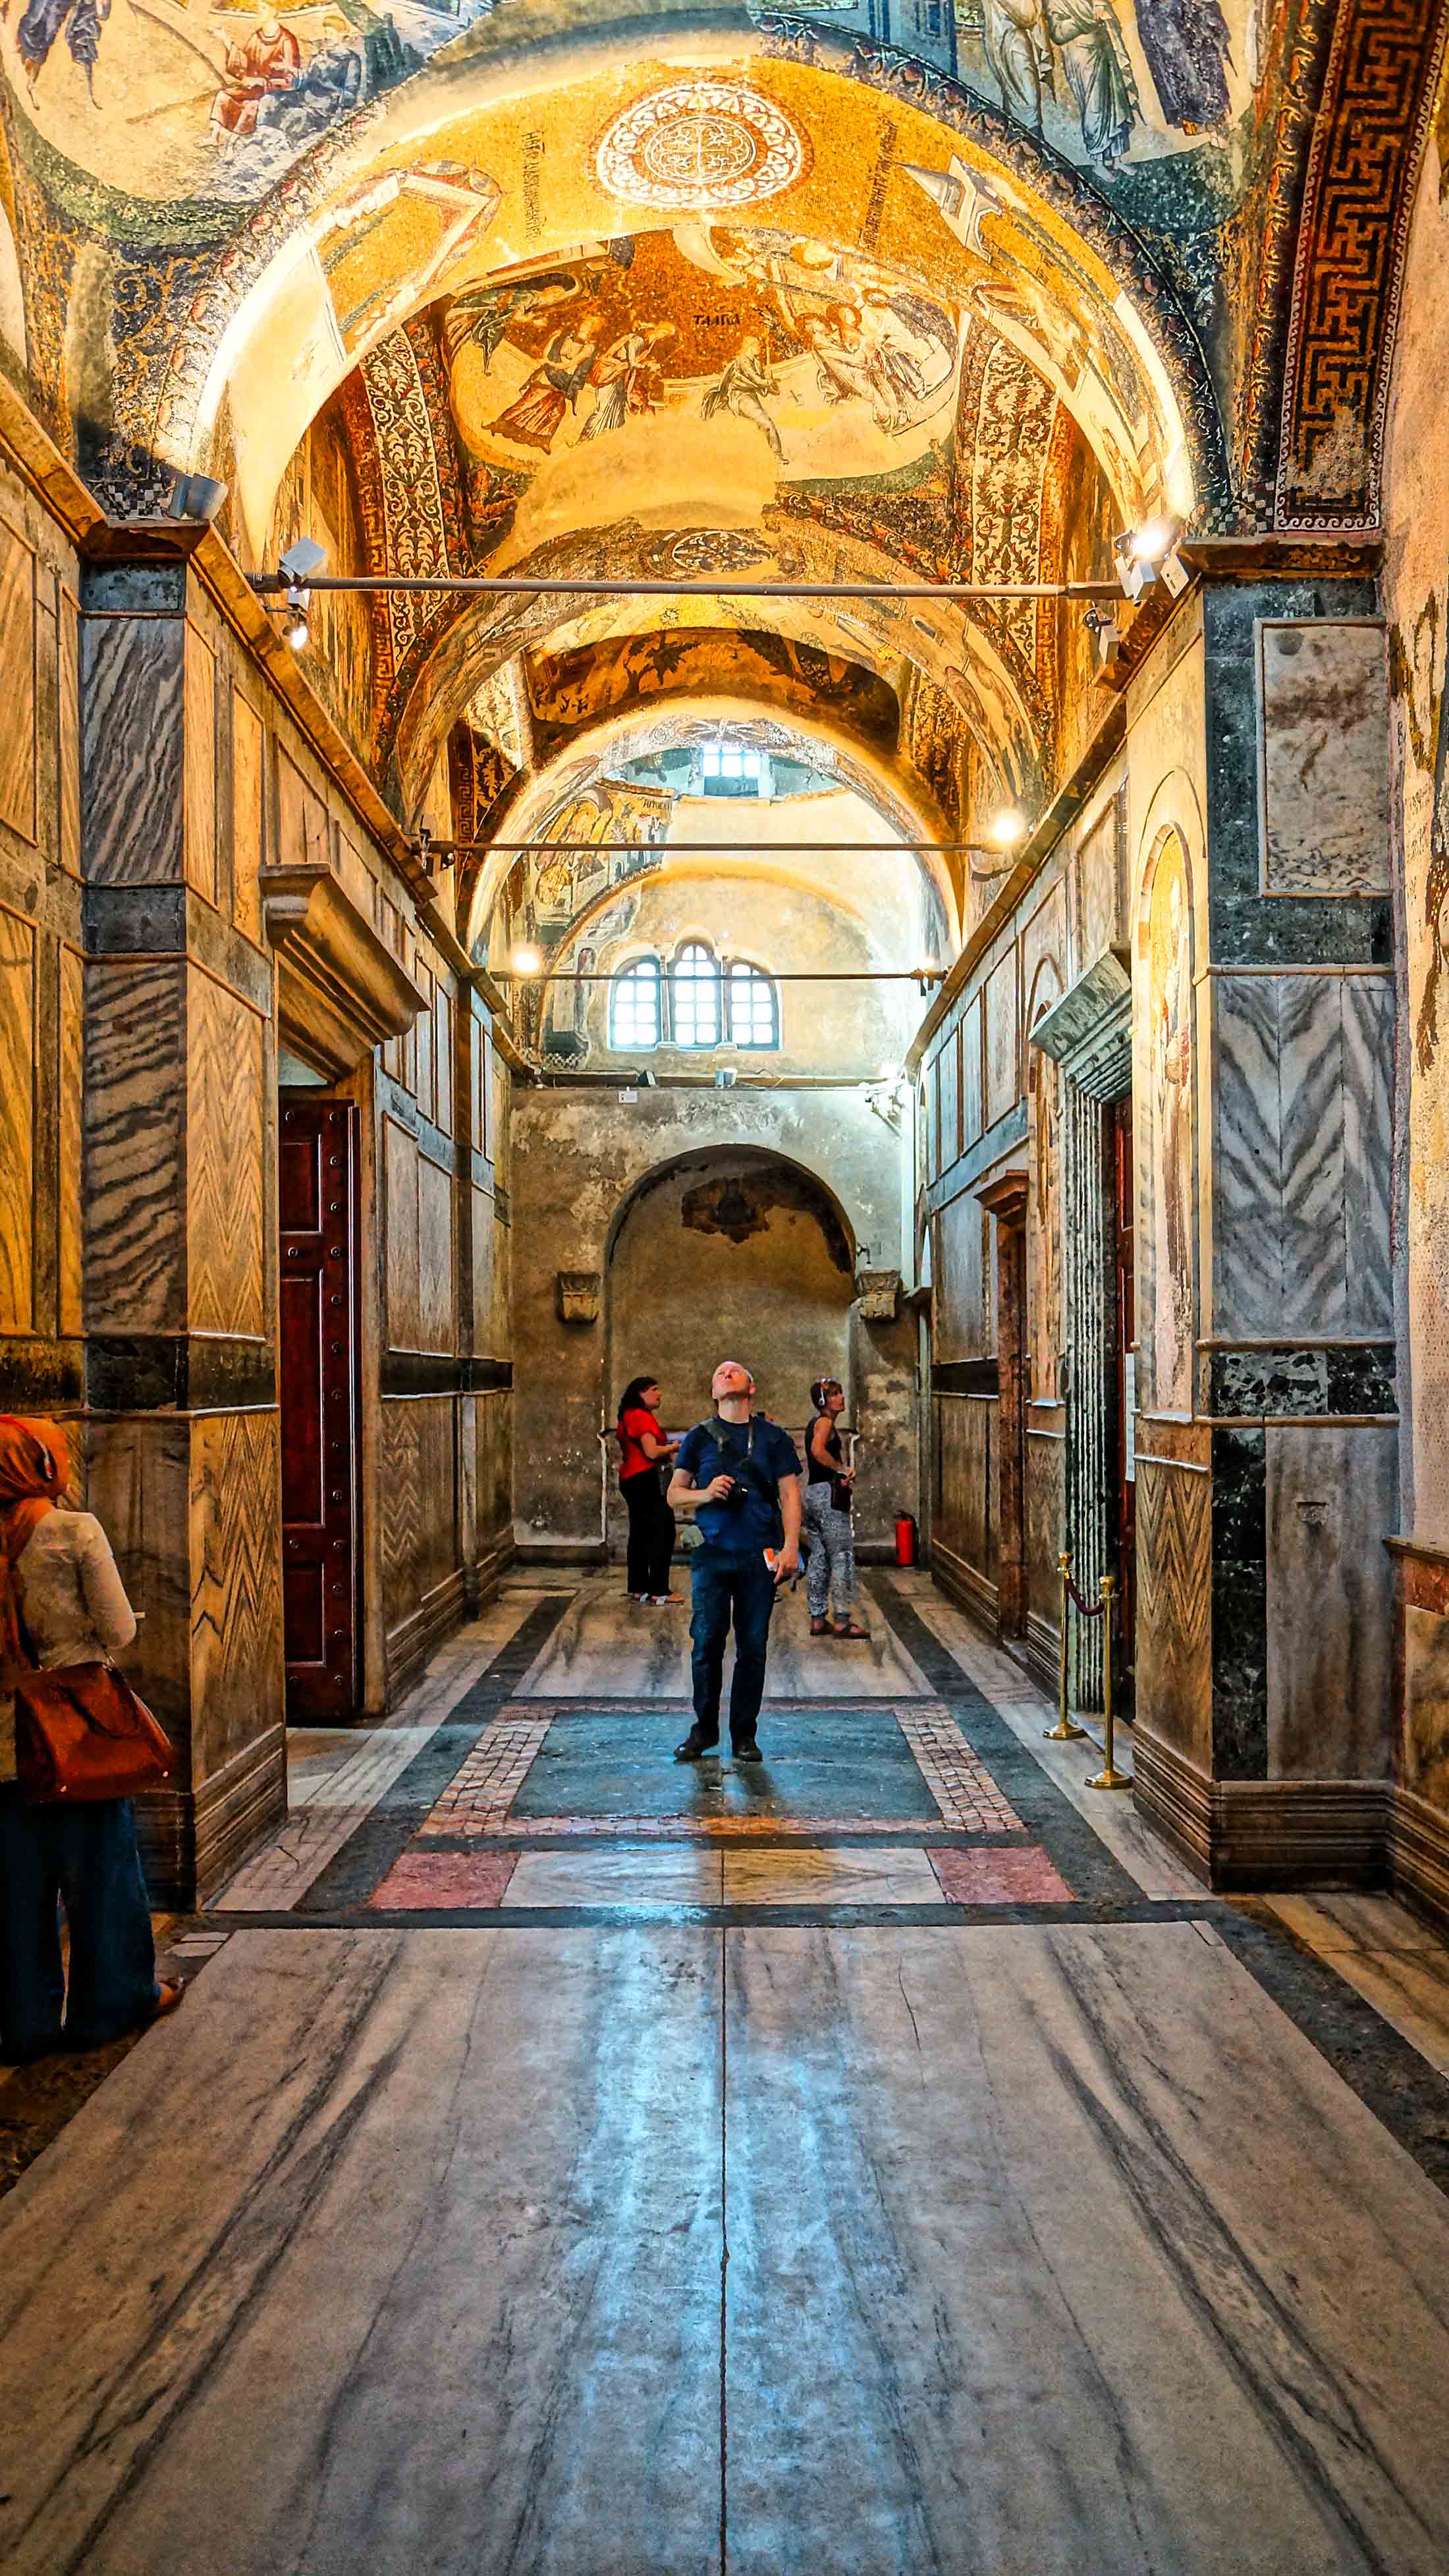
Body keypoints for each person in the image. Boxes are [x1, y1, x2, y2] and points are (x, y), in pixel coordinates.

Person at [0, 1416, 182, 2064]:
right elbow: (117, 1629)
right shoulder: (73, 1531)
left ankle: (22, 2024)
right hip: (74, 1734)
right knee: (103, 1874)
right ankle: (110, 2004)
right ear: (42, 1465)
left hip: (3, 1750)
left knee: (14, 1889)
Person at [667, 1361, 802, 1764]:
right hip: (712, 1554)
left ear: (751, 1388)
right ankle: (704, 1730)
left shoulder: (774, 1438)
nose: (727, 1373)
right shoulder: (698, 1438)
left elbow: (790, 1494)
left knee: (753, 1647)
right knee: (706, 1643)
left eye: (735, 1371)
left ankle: (744, 1734)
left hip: (758, 1554)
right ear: (713, 1392)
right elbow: (675, 1495)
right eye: (720, 1372)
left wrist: (791, 1547)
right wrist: (705, 1494)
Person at [803, 1378, 869, 1640]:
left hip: (813, 1495)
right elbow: (817, 1451)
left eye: (841, 1392)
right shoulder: (825, 1422)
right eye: (835, 1394)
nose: (841, 1398)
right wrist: (842, 1469)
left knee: (819, 1557)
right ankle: (842, 1621)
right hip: (828, 1498)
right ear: (823, 1401)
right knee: (841, 1557)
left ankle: (818, 1619)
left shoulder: (816, 1423)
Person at [615, 1376, 680, 1606]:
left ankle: (638, 1588)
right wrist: (674, 1447)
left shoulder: (627, 1416)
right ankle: (659, 1591)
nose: (659, 1394)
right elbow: (652, 1452)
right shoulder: (641, 1417)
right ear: (641, 1394)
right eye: (654, 1389)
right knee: (663, 1532)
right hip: (646, 1478)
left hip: (631, 1478)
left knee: (640, 1534)